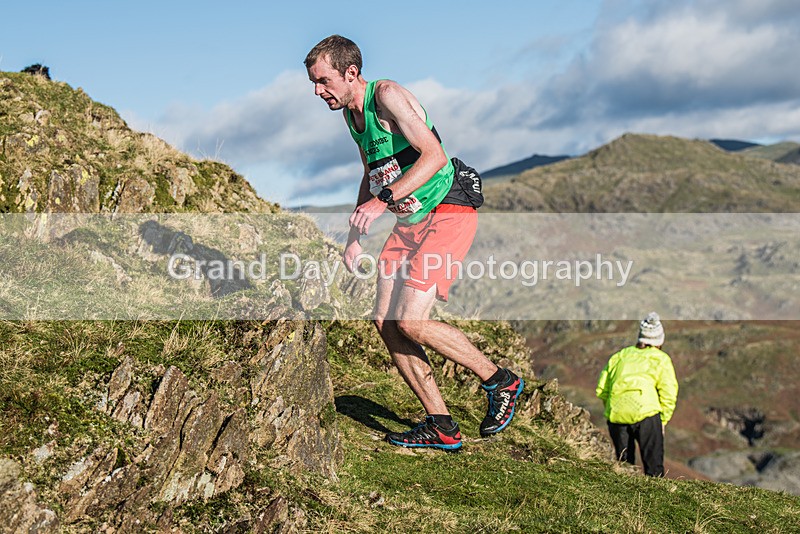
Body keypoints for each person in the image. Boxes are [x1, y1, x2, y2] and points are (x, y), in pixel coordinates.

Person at [304, 35, 523, 451]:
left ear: (351, 73)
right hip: (409, 221)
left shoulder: (386, 96)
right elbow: (371, 172)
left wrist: (382, 202)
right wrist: (354, 238)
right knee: (385, 322)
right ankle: (441, 424)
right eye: (314, 83)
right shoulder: (350, 115)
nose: (317, 91)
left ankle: (500, 381)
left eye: (323, 80)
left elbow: (434, 156)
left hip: (447, 210)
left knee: (411, 322)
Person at [596, 312, 679, 476]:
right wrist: (662, 420)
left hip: (617, 415)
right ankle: (655, 492)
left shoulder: (619, 356)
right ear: (659, 340)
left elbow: (602, 389)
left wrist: (612, 409)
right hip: (647, 415)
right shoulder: (661, 359)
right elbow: (669, 392)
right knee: (654, 468)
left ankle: (623, 492)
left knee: (624, 468)